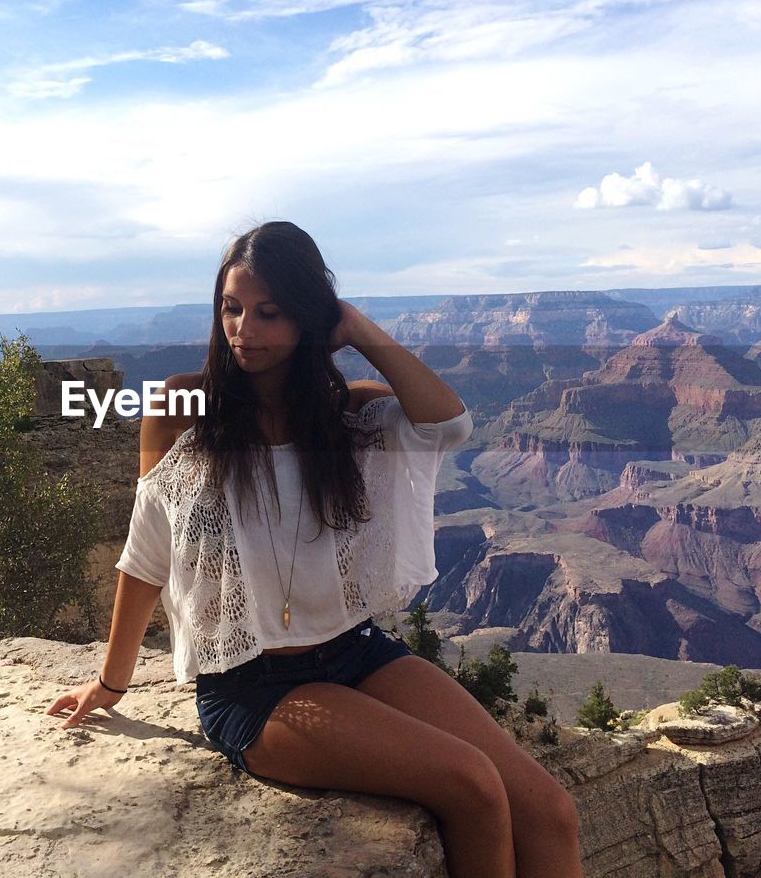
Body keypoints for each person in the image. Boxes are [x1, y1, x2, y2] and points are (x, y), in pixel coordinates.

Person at [47, 221, 583, 877]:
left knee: (549, 810)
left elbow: (449, 425)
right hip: (253, 689)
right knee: (471, 786)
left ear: (309, 317)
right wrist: (111, 681)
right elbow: (148, 552)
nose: (245, 328)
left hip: (357, 652)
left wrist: (356, 327)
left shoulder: (349, 415)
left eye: (270, 313)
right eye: (232, 308)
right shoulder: (183, 410)